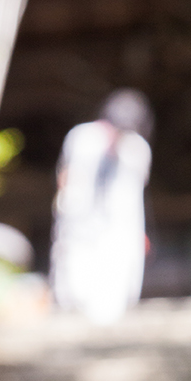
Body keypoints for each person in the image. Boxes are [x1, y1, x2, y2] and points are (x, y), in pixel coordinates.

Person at [50, 89, 153, 325]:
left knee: (112, 287)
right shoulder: (82, 139)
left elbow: (135, 192)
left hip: (118, 226)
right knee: (75, 279)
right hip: (79, 221)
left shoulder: (136, 148)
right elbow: (65, 176)